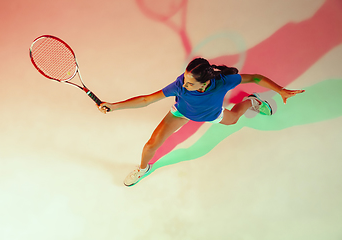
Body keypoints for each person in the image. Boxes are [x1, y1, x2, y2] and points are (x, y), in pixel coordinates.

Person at [98, 58, 305, 187]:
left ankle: (251, 101)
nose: (184, 84)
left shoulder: (223, 82)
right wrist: (115, 106)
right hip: (181, 113)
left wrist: (280, 90)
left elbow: (256, 78)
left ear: (205, 83)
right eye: (185, 79)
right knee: (151, 144)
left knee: (232, 120)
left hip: (211, 114)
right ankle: (143, 168)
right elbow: (146, 100)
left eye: (190, 82)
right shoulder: (180, 85)